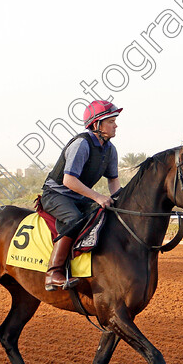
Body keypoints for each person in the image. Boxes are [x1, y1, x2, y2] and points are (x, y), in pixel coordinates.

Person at [42, 100, 122, 291]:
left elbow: (113, 181)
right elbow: (69, 181)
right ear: (96, 125)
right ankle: (53, 272)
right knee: (75, 219)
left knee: (106, 216)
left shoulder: (110, 149)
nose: (116, 125)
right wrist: (97, 197)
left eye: (114, 121)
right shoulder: (81, 144)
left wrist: (120, 201)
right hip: (55, 194)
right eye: (111, 121)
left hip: (79, 197)